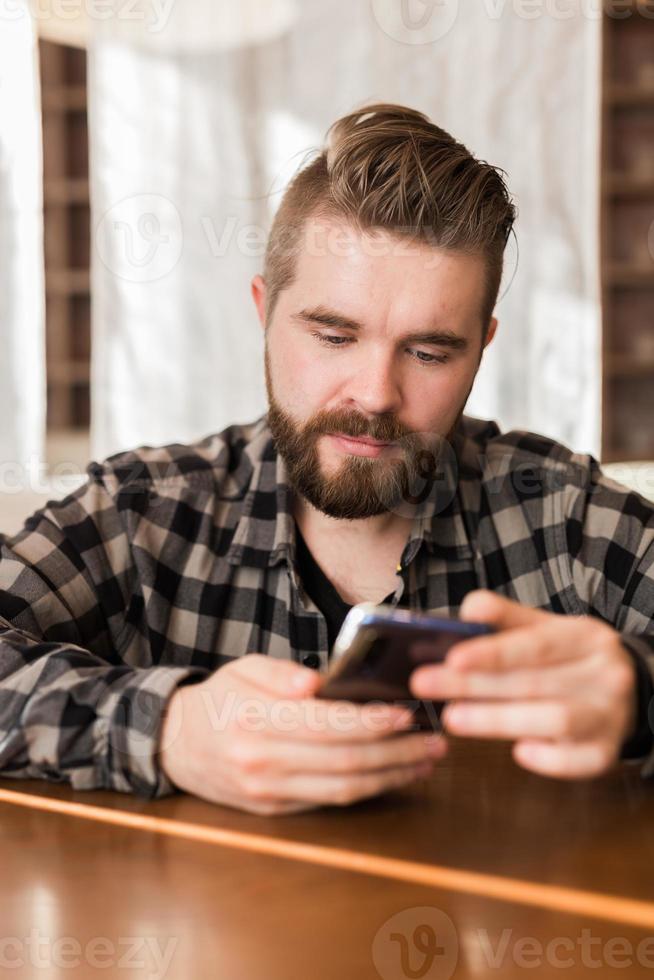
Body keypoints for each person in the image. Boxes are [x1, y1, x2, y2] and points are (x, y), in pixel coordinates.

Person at [0, 104, 652, 817]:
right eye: (334, 337)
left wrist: (639, 690)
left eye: (429, 352)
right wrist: (168, 728)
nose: (375, 395)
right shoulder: (141, 511)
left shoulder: (566, 518)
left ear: (482, 346)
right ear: (263, 311)